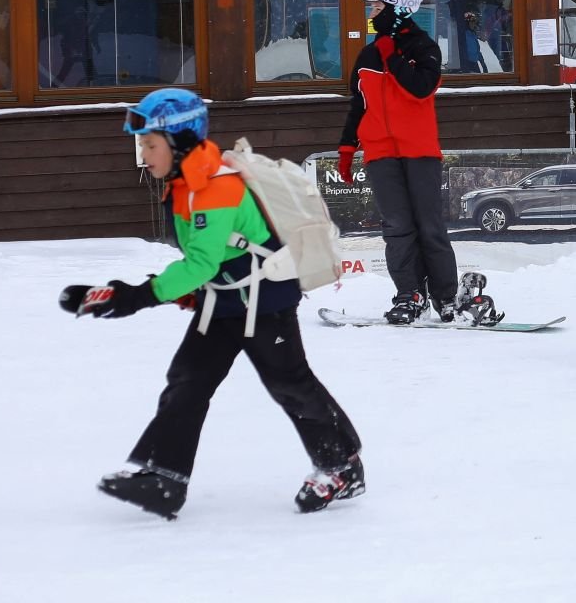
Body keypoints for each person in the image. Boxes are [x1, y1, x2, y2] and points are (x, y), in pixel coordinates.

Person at [65, 88, 362, 520]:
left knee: (290, 383)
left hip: (264, 300)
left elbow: (202, 262)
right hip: (224, 298)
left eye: (150, 144)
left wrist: (136, 296)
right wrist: (155, 292)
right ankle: (164, 478)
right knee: (188, 380)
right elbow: (209, 261)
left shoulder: (214, 188)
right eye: (142, 144)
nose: (144, 154)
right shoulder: (187, 182)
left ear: (180, 141)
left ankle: (342, 467)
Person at [337, 0, 456, 322]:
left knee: (429, 226)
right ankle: (409, 295)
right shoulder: (367, 55)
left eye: (377, 6)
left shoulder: (423, 47)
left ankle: (446, 297)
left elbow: (420, 89)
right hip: (380, 152)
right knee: (398, 227)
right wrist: (347, 148)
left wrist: (393, 55)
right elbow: (358, 105)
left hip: (419, 150)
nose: (372, 13)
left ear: (398, 7)